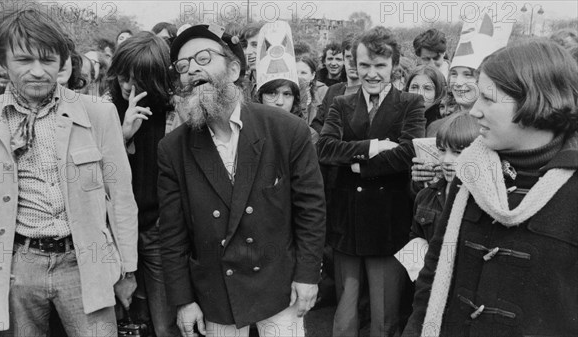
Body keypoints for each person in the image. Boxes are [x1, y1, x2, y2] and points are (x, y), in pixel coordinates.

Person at [0, 8, 138, 336]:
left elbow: (120, 197)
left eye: (48, 60)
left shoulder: (98, 114)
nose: (38, 72)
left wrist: (128, 270)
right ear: (3, 62)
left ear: (62, 62)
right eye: (24, 60)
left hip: (85, 263)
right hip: (15, 267)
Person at [159, 24, 326, 337]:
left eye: (203, 58)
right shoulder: (173, 148)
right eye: (183, 66)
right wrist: (183, 300)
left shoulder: (286, 130)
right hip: (216, 292)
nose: (192, 70)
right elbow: (172, 233)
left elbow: (311, 210)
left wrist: (308, 275)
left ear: (234, 69)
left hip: (279, 286)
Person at [403, 38, 578, 337]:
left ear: (536, 100)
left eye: (489, 98)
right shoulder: (470, 169)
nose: (474, 110)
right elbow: (434, 270)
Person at [317, 26, 425, 337]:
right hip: (346, 223)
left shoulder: (410, 104)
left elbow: (408, 153)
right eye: (364, 65)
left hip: (388, 223)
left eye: (380, 66)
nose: (372, 74)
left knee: (384, 315)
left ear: (394, 64)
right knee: (346, 313)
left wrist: (356, 167)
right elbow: (324, 149)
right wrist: (371, 147)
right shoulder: (341, 103)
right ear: (354, 64)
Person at [106, 31, 180, 337]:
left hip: (157, 231)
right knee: (119, 323)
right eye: (123, 77)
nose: (128, 86)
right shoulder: (105, 112)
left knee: (165, 324)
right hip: (114, 233)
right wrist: (122, 137)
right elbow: (97, 179)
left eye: (138, 79)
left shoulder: (175, 114)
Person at [396, 113, 480, 282]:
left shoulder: (485, 202)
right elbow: (417, 238)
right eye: (442, 150)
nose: (447, 160)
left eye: (457, 152)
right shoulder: (426, 196)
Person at [405, 65, 448, 130]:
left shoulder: (443, 126)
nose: (419, 93)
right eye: (414, 87)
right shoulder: (398, 119)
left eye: (427, 88)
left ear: (439, 93)